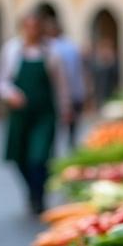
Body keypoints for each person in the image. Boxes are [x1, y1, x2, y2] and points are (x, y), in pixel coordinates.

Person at [0, 12, 72, 214]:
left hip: (44, 114)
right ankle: (31, 190)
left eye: (36, 27)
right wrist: (11, 94)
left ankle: (39, 196)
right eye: (28, 27)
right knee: (19, 157)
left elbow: (61, 85)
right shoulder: (12, 50)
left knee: (40, 156)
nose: (32, 31)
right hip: (20, 114)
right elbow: (0, 82)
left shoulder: (52, 52)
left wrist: (65, 109)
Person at [42, 15, 87, 148]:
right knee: (71, 128)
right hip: (73, 93)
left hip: (56, 96)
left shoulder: (48, 49)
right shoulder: (71, 46)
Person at [90, 36, 120, 106]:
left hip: (110, 91)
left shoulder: (113, 63)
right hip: (100, 92)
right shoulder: (97, 63)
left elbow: (116, 75)